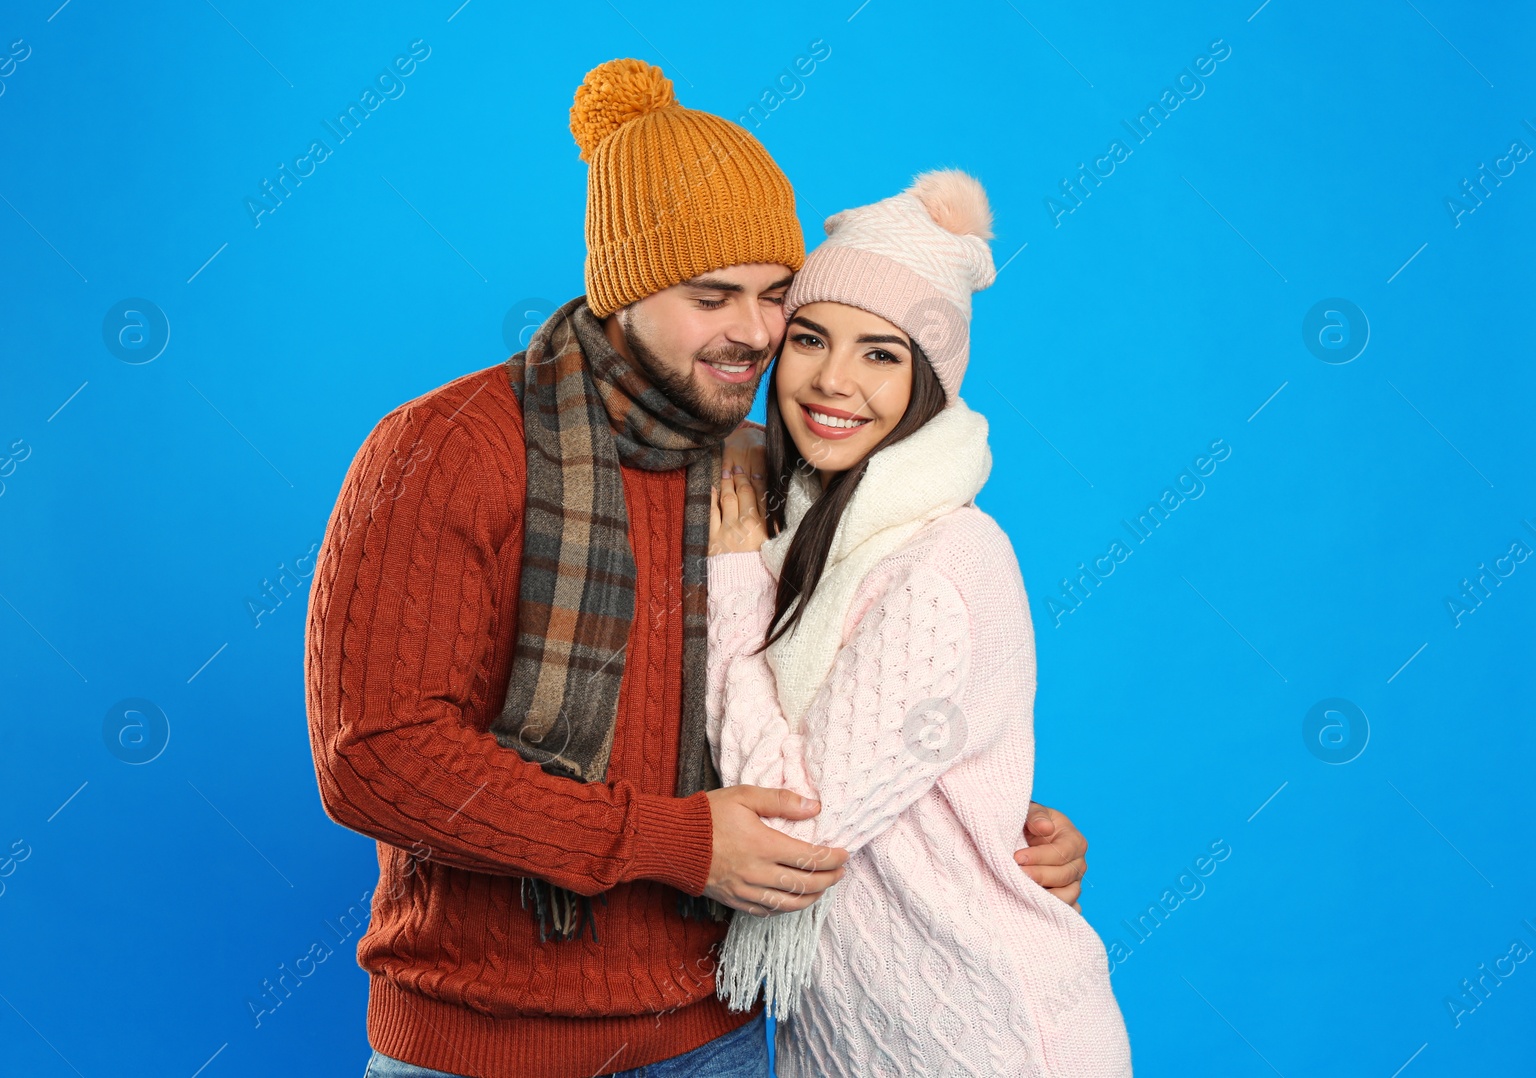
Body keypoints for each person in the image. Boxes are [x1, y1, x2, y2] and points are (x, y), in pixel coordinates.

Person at [305, 57, 1092, 1078]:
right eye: (712, 295)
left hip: (714, 1032)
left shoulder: (772, 471)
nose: (757, 334)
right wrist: (674, 841)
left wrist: (989, 832)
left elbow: (850, 701)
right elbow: (380, 756)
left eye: (775, 297)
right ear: (622, 288)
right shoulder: (447, 448)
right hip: (479, 1044)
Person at [702, 169, 1131, 1076]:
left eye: (881, 354)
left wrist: (736, 578)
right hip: (845, 1043)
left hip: (992, 1042)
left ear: (931, 381)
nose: (832, 381)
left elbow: (794, 842)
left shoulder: (945, 562)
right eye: (810, 339)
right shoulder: (792, 524)